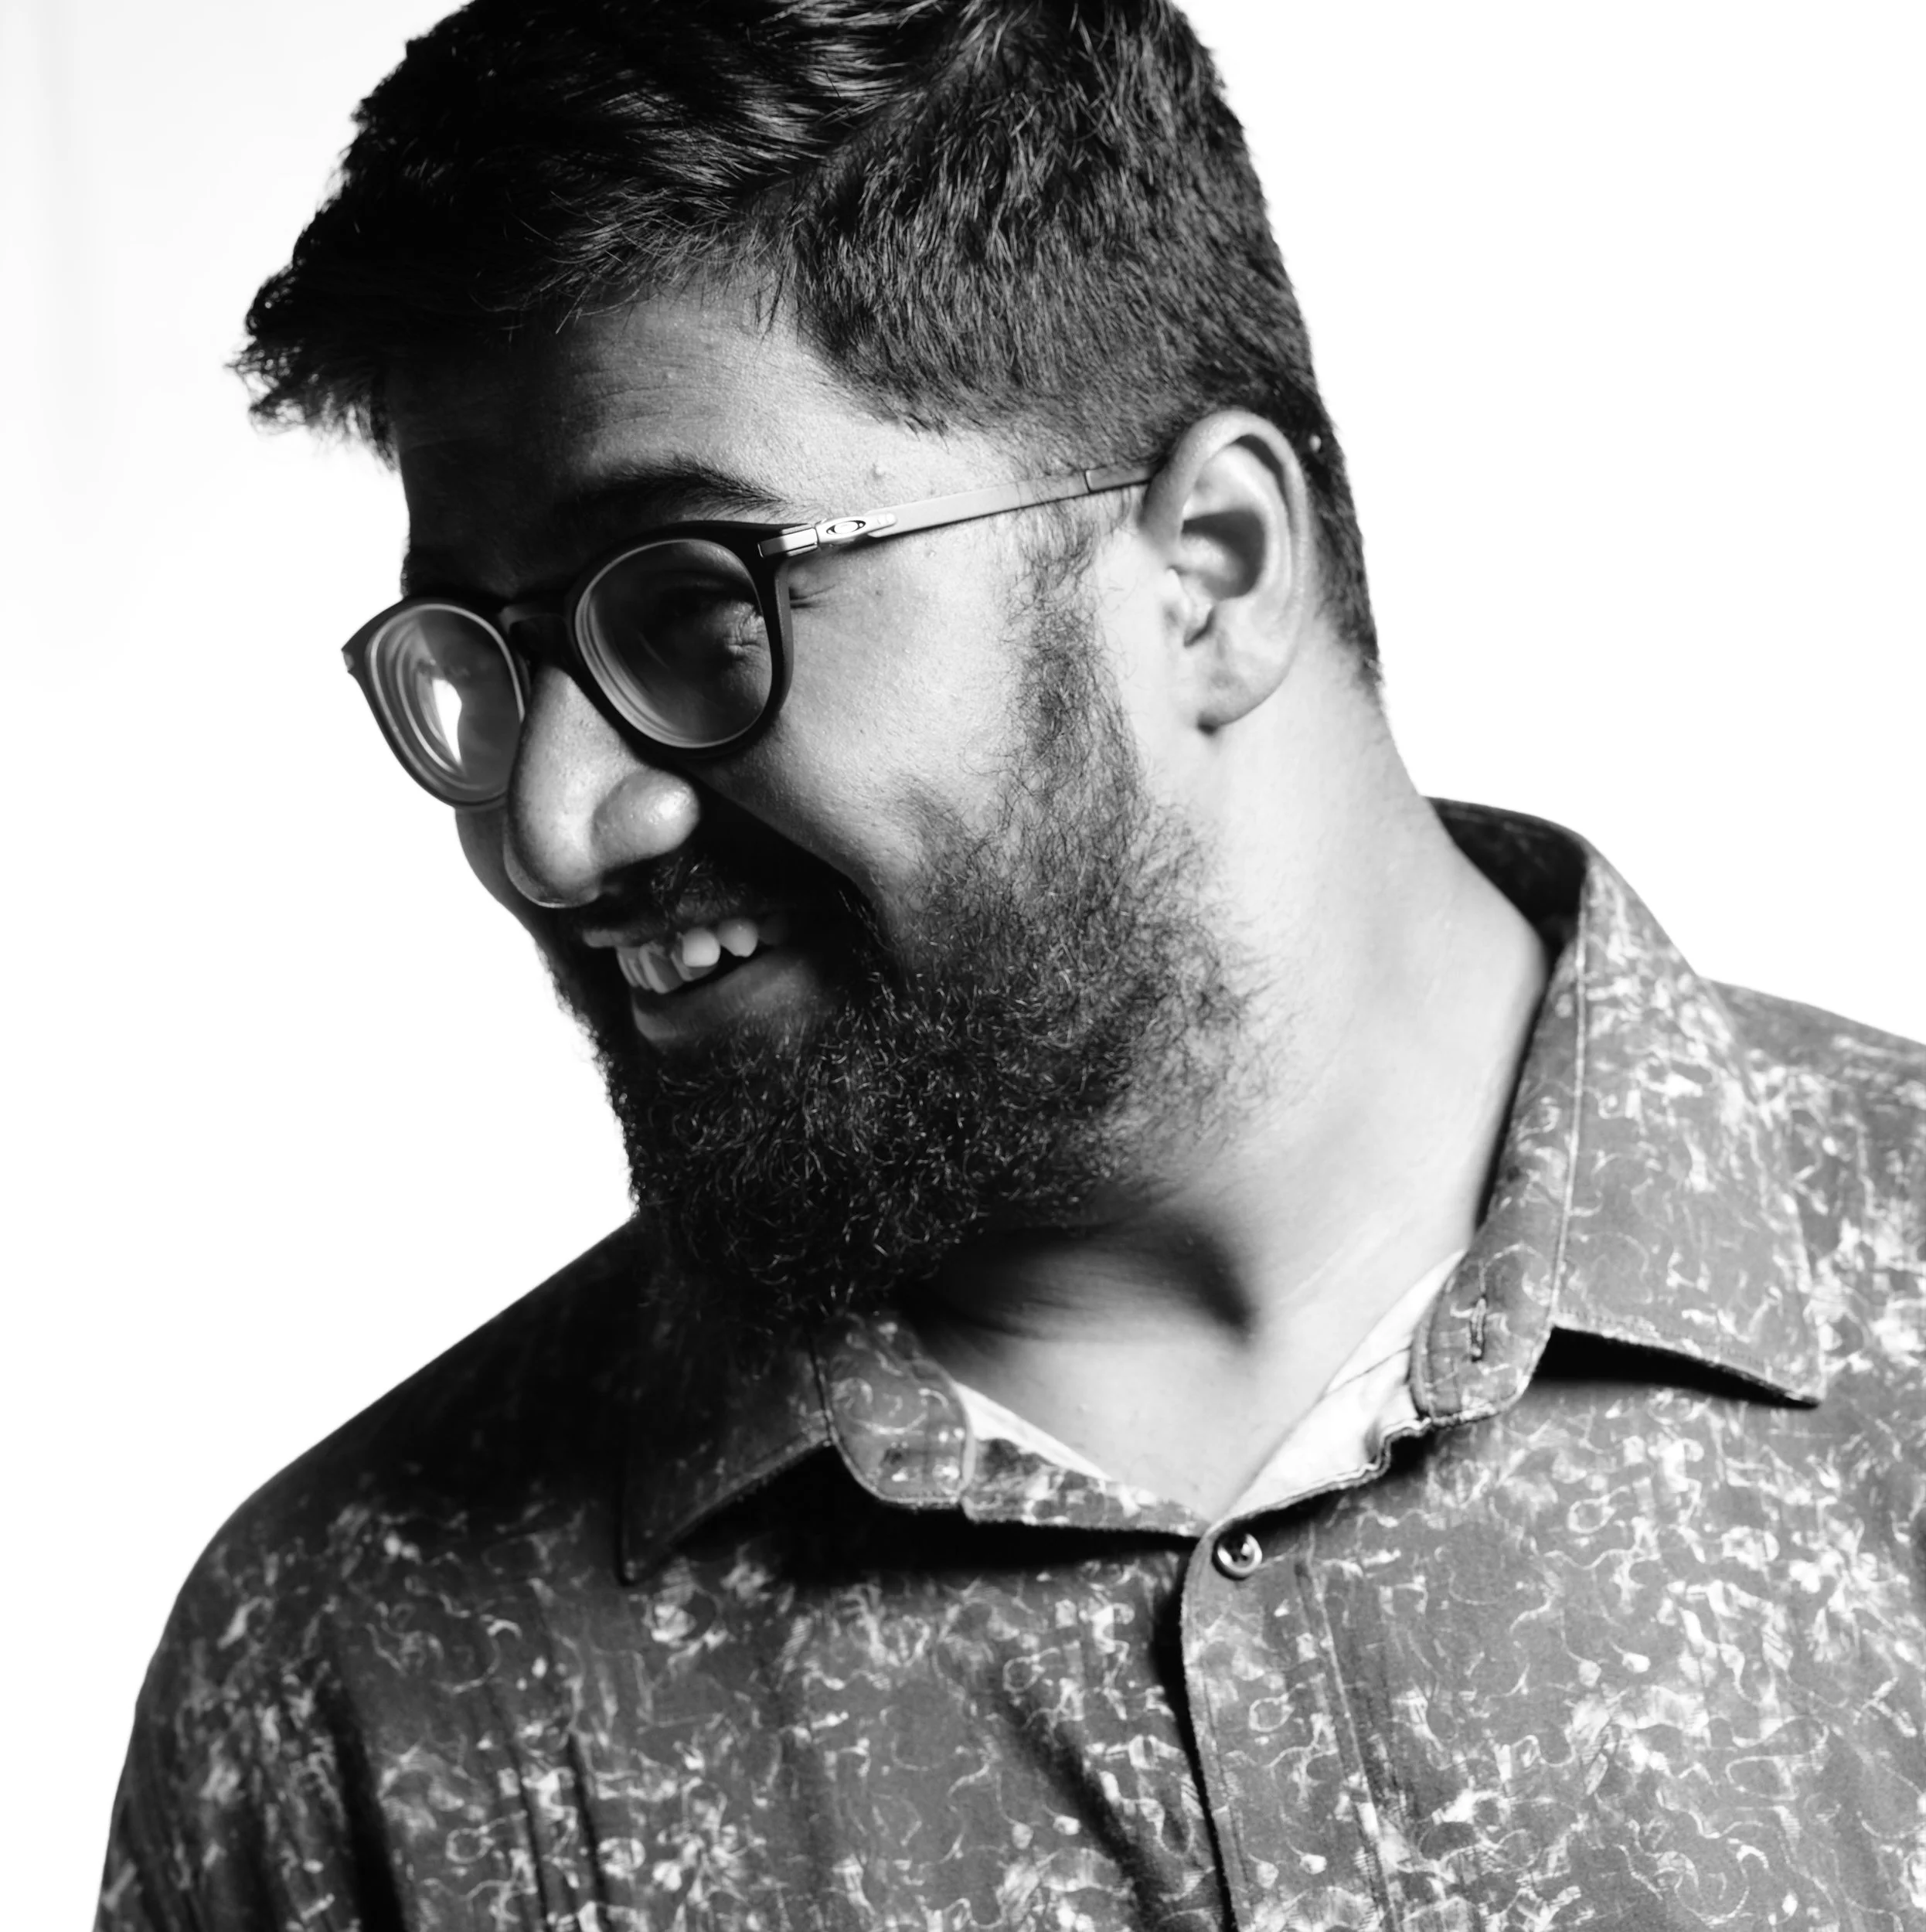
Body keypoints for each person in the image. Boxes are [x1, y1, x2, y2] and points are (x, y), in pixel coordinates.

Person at [97, 1, 1926, 1925]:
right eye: (479, 656)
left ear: (1206, 565)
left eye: (695, 606)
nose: (553, 828)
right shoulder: (348, 1685)